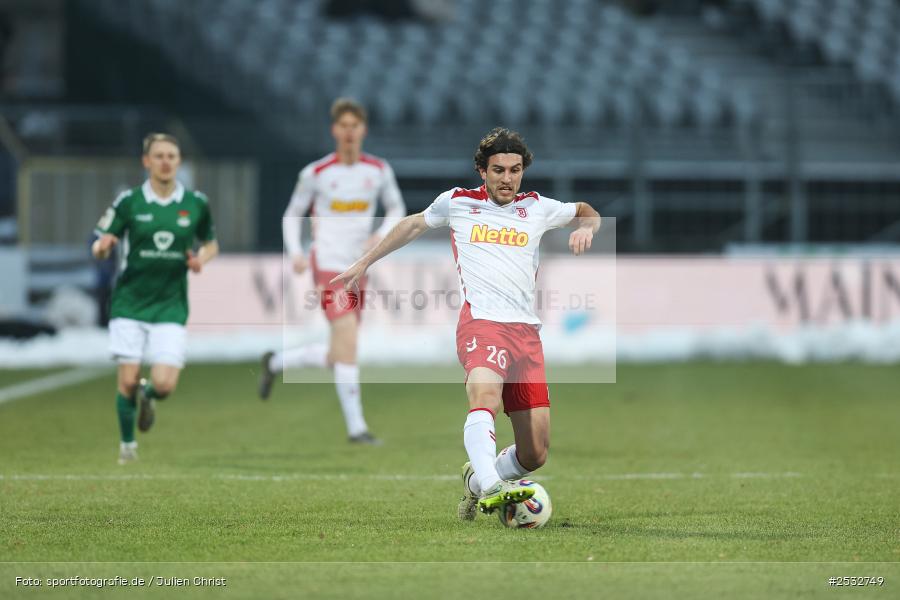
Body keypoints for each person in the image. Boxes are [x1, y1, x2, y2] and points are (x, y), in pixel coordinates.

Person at [332, 127, 601, 516]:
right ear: (482, 171)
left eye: (514, 170)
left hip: (526, 333)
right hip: (481, 324)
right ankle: (493, 485)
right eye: (498, 170)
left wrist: (587, 227)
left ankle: (475, 481)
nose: (507, 178)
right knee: (484, 399)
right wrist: (362, 263)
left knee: (535, 452)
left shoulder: (537, 207)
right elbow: (411, 224)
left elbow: (585, 210)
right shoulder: (457, 202)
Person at [258, 98, 406, 445]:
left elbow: (397, 206)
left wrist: (381, 232)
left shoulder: (378, 170)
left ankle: (276, 363)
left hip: (360, 268)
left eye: (355, 126)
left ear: (363, 130)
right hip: (327, 267)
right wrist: (295, 252)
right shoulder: (316, 173)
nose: (350, 132)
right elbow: (292, 214)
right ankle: (357, 430)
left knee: (339, 352)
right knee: (349, 343)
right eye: (344, 126)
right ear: (334, 130)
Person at [92, 133, 218, 465]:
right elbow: (101, 240)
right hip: (130, 301)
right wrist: (103, 247)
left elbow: (211, 244)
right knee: (128, 379)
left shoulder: (196, 203)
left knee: (163, 384)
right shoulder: (129, 202)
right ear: (146, 161)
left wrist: (200, 260)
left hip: (170, 304)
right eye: (159, 156)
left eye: (172, 156)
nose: (165, 162)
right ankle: (128, 446)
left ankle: (150, 398)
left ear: (179, 162)